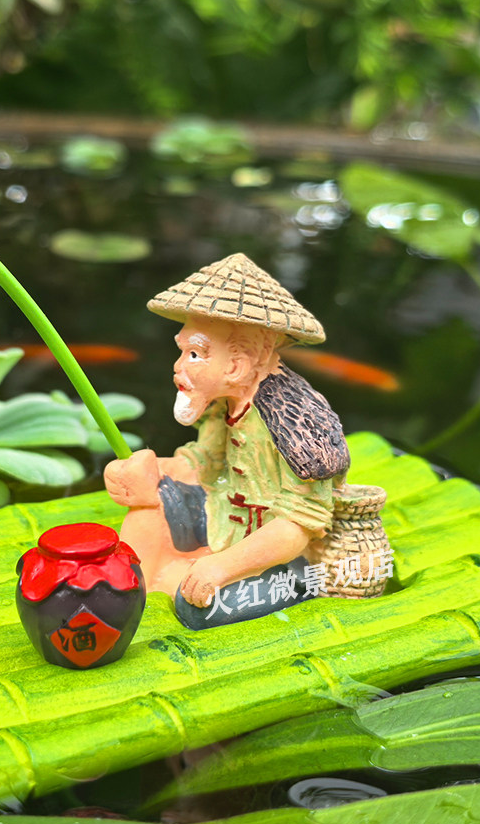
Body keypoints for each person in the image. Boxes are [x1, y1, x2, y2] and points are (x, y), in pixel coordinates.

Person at [103, 253, 356, 629]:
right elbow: (202, 462)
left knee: (194, 604)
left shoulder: (296, 421)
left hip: (278, 555)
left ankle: (172, 584)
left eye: (194, 354)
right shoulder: (222, 402)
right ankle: (126, 590)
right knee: (149, 501)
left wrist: (221, 567)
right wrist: (150, 473)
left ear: (237, 365)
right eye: (181, 351)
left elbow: (297, 525)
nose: (177, 366)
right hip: (222, 517)